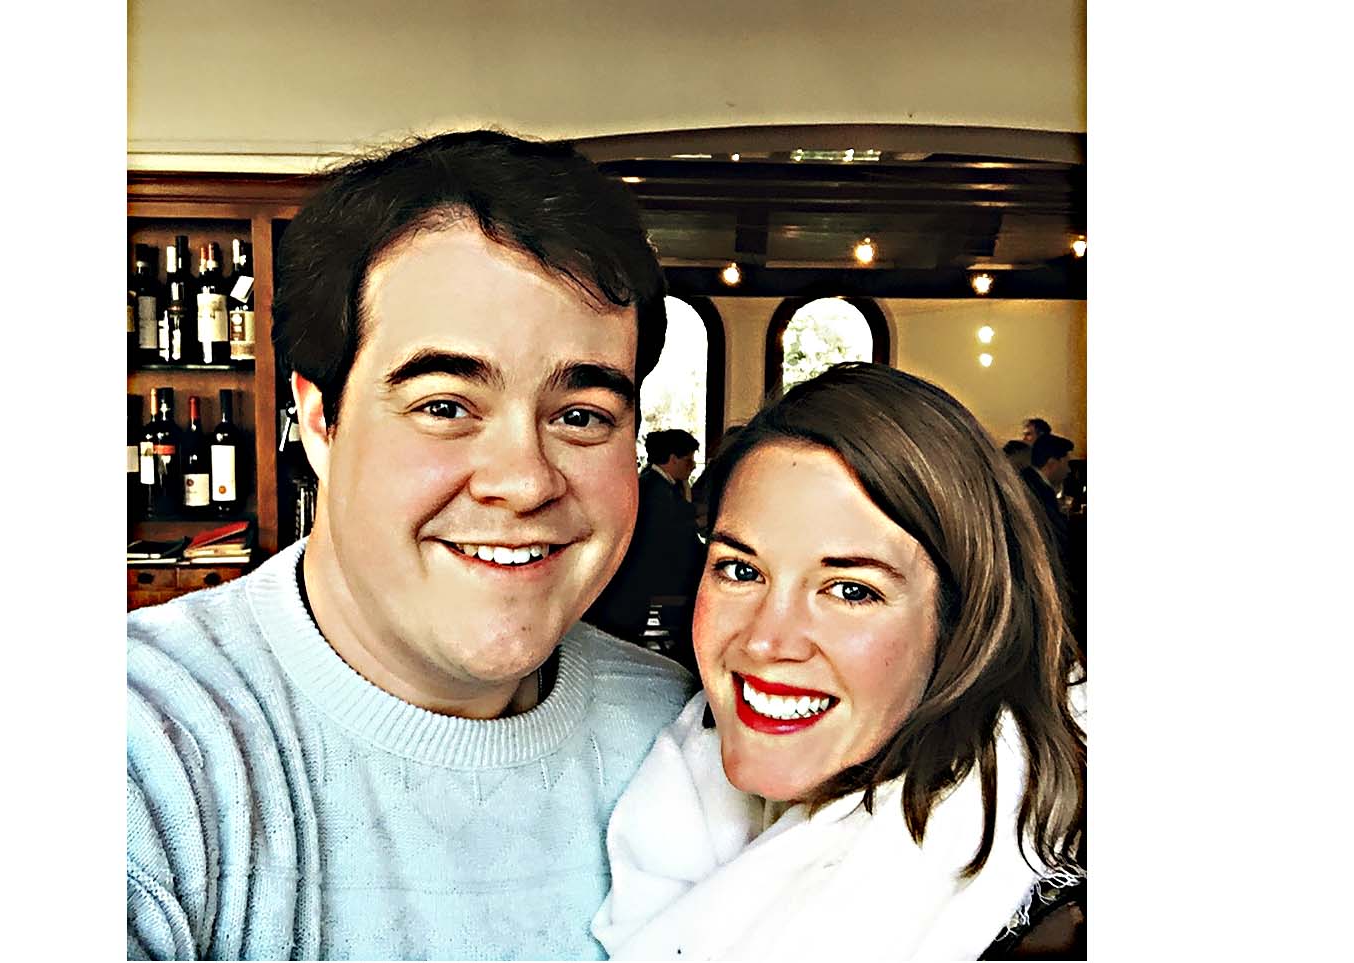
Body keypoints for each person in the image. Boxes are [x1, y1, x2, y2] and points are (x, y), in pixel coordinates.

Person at [127, 130, 697, 961]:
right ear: (320, 421)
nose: (525, 481)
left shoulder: (685, 733)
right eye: (445, 406)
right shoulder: (149, 746)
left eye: (580, 416)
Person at [593, 362, 1085, 961]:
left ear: (964, 627)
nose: (766, 641)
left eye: (851, 590)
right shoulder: (666, 785)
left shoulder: (1053, 924)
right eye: (741, 570)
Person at [586, 428, 706, 654]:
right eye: (688, 459)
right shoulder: (655, 492)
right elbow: (678, 538)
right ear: (673, 459)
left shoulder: (661, 486)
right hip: (648, 584)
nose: (692, 466)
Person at [1020, 432, 1075, 544]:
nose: (1068, 470)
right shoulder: (1040, 491)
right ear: (1052, 464)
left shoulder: (1027, 480)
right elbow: (1057, 535)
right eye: (1066, 464)